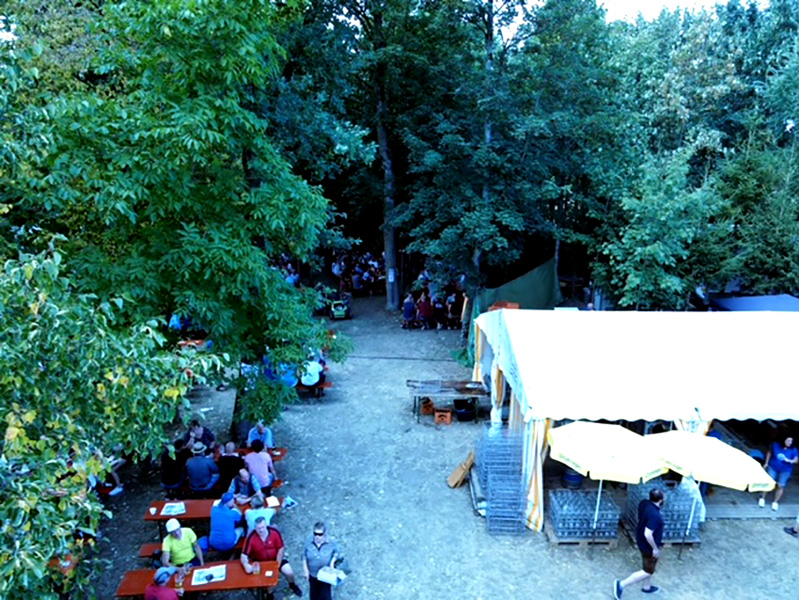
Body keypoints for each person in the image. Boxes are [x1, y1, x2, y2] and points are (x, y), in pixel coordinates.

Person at [614, 488, 665, 599]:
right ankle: (621, 584)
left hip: (640, 538)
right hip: (648, 546)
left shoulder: (644, 503)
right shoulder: (655, 516)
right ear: (661, 500)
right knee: (648, 571)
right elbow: (648, 533)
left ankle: (646, 587)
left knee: (649, 566)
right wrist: (655, 548)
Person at [241, 517, 303, 598]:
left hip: (276, 559)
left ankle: (292, 585)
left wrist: (277, 564)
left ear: (266, 525)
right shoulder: (251, 537)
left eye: (262, 527)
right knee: (269, 585)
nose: (261, 530)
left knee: (289, 572)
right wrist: (246, 565)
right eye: (258, 528)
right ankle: (270, 595)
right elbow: (244, 555)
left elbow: (281, 548)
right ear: (255, 528)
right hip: (262, 563)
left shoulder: (274, 532)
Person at [759, 435, 798, 510]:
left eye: (791, 441)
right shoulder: (776, 445)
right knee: (769, 482)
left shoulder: (793, 449)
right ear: (783, 440)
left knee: (780, 485)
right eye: (788, 441)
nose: (789, 443)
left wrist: (791, 461)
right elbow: (769, 452)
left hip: (785, 470)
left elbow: (796, 460)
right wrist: (766, 463)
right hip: (773, 467)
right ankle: (762, 498)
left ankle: (775, 502)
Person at [303, 521, 340, 600]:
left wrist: (332, 562)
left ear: (324, 534)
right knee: (314, 596)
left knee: (326, 596)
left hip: (325, 573)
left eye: (320, 534)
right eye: (315, 534)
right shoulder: (308, 541)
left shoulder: (331, 542)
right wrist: (306, 570)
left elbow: (336, 553)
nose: (317, 536)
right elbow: (304, 556)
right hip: (313, 574)